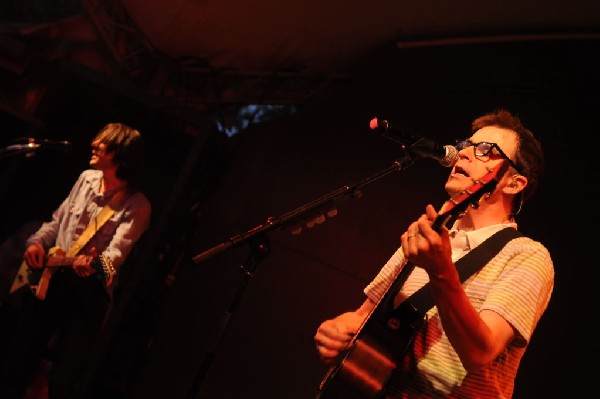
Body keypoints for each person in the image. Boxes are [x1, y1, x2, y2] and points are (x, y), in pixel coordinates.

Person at [314, 109, 554, 398]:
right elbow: (364, 316)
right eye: (466, 145)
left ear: (514, 183)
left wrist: (440, 271)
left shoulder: (526, 255)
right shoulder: (429, 232)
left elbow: (481, 352)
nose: (463, 154)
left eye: (485, 150)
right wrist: (337, 330)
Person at [0, 123, 152, 399]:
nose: (93, 143)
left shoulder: (137, 205)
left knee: (63, 379)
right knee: (17, 361)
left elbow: (115, 255)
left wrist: (94, 266)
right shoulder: (86, 179)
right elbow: (57, 222)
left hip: (88, 294)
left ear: (120, 153)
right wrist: (36, 243)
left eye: (102, 142)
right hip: (53, 281)